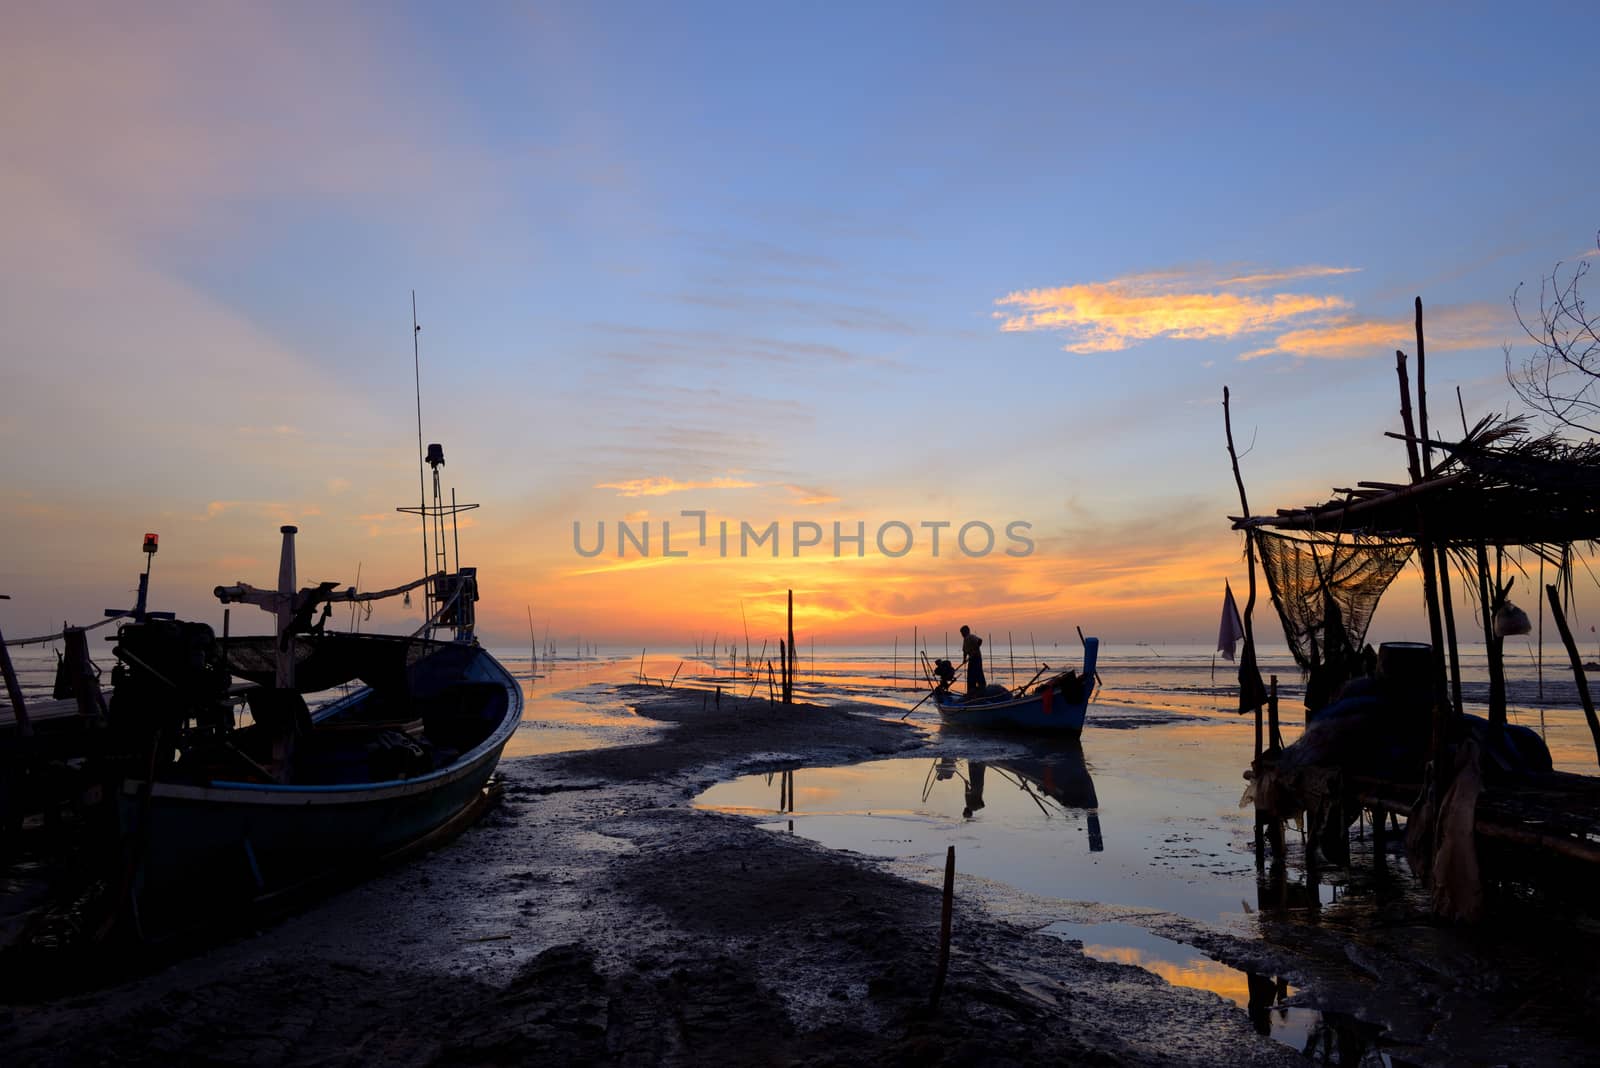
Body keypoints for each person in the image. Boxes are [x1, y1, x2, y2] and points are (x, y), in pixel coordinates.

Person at [959, 625, 986, 695]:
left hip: (976, 658)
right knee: (970, 676)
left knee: (978, 673)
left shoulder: (971, 636)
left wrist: (976, 648)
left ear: (966, 631)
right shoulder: (965, 640)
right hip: (971, 659)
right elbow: (964, 651)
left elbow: (980, 641)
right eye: (961, 633)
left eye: (962, 632)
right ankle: (971, 691)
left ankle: (982, 690)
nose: (962, 634)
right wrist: (964, 659)